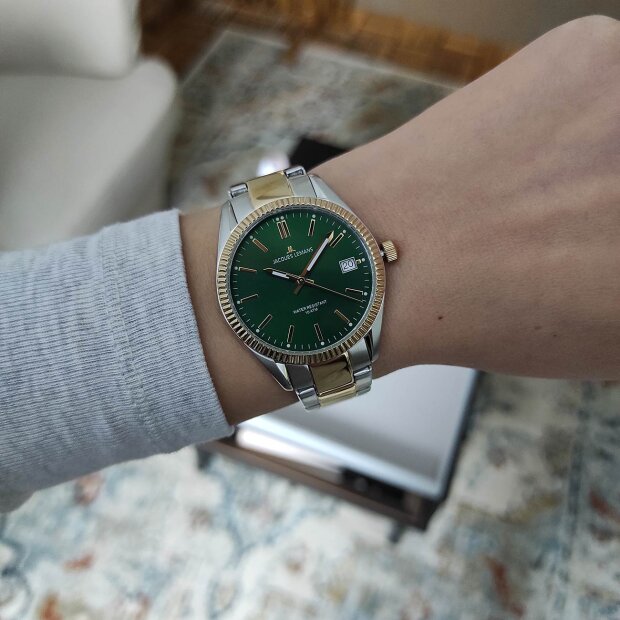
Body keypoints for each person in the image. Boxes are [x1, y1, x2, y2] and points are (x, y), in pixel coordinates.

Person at [1, 16, 619, 512]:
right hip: (292, 298)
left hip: (302, 263)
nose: (298, 277)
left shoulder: (296, 222)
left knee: (283, 224)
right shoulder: (295, 288)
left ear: (380, 251)